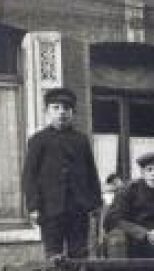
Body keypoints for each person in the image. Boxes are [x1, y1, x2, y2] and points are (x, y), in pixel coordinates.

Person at [22, 87, 103, 259]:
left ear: (72, 112)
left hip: (78, 209)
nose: (61, 113)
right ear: (47, 112)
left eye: (66, 108)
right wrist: (33, 206)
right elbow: (29, 175)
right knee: (54, 257)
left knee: (80, 256)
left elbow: (91, 172)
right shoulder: (38, 140)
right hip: (50, 209)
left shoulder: (81, 140)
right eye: (56, 108)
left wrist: (95, 202)